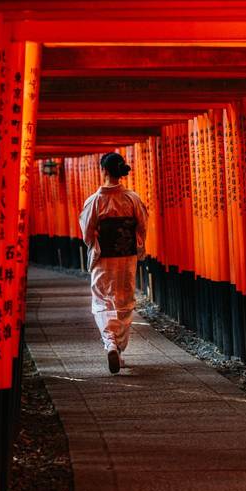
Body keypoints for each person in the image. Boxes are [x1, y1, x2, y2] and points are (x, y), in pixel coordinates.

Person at [79, 152, 148, 374]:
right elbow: (142, 226)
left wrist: (96, 242)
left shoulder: (94, 201)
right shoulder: (132, 198)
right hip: (126, 257)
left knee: (102, 301)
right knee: (124, 301)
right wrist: (135, 244)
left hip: (104, 257)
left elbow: (87, 232)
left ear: (104, 171)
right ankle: (118, 346)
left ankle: (110, 343)